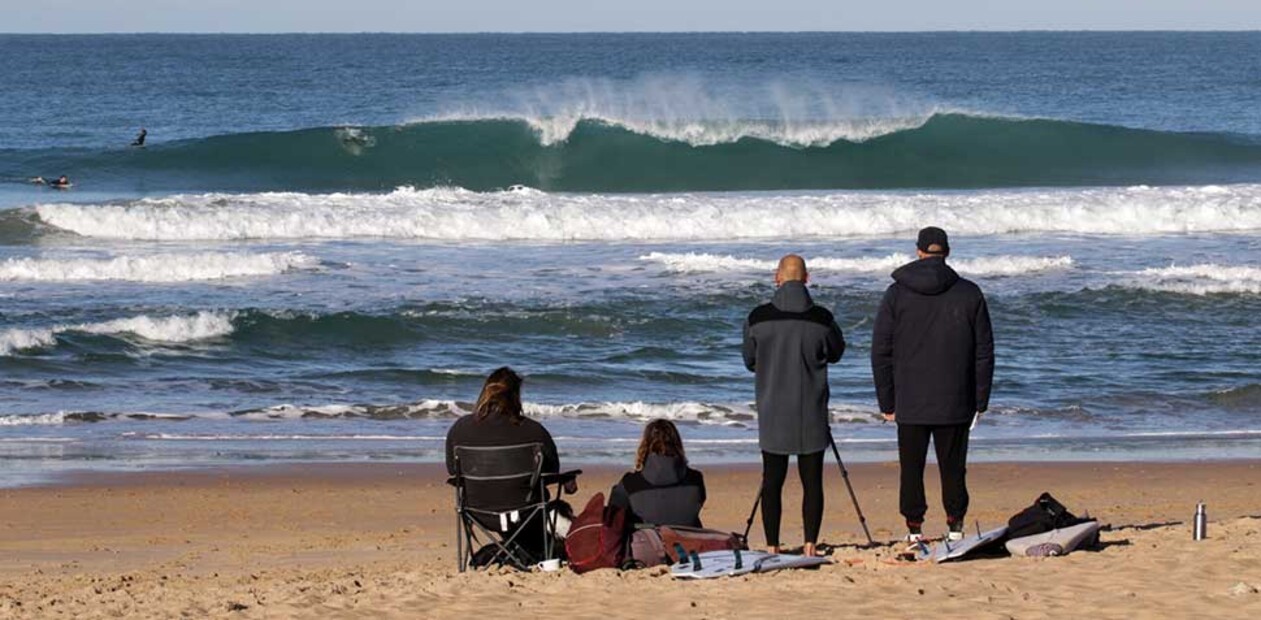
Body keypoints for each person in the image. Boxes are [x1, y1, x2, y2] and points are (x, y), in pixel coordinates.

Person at [871, 227, 994, 543]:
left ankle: (914, 528)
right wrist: (980, 400)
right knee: (954, 469)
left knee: (911, 469)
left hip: (910, 399)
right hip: (955, 399)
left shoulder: (896, 293)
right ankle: (955, 526)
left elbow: (881, 351)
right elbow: (984, 352)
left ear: (919, 251)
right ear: (948, 252)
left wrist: (886, 401)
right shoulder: (969, 292)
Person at [742, 254, 845, 556]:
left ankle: (772, 545)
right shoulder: (822, 319)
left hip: (773, 409)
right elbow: (837, 352)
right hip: (811, 410)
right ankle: (810, 543)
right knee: (812, 481)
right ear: (807, 278)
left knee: (772, 481)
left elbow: (749, 360)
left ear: (777, 278)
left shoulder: (757, 318)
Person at [609, 419, 706, 527]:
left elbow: (612, 518)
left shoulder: (630, 483)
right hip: (688, 541)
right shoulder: (696, 479)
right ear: (677, 444)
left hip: (646, 541)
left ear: (644, 445)